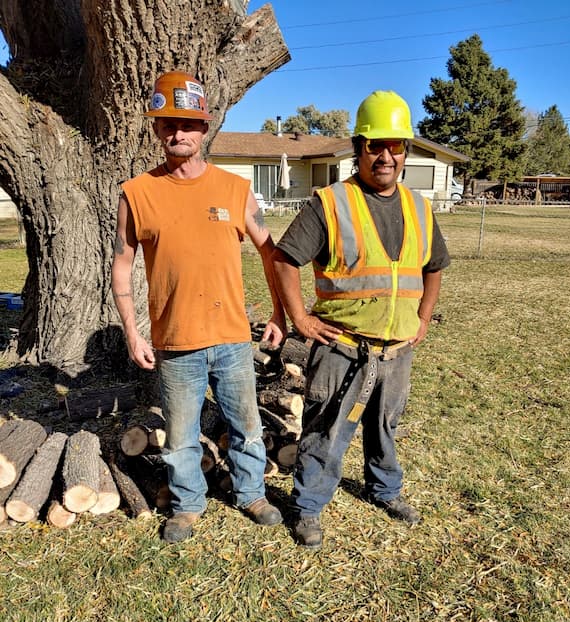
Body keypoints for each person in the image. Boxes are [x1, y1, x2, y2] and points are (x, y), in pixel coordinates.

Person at [111, 70, 286, 543]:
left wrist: (280, 312)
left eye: (188, 123)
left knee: (246, 425)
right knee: (181, 435)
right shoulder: (138, 194)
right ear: (156, 128)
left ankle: (252, 493)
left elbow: (272, 255)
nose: (179, 132)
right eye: (168, 123)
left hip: (231, 337)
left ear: (205, 128)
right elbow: (122, 266)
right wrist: (132, 331)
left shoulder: (235, 190)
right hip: (175, 342)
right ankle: (187, 505)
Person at [273, 90, 450, 550]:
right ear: (358, 148)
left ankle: (384, 491)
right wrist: (300, 319)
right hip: (342, 348)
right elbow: (284, 259)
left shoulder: (419, 207)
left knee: (385, 425)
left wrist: (424, 318)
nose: (386, 156)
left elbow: (434, 267)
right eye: (375, 145)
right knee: (327, 426)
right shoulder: (331, 203)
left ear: (407, 151)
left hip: (397, 349)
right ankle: (309, 507)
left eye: (396, 145)